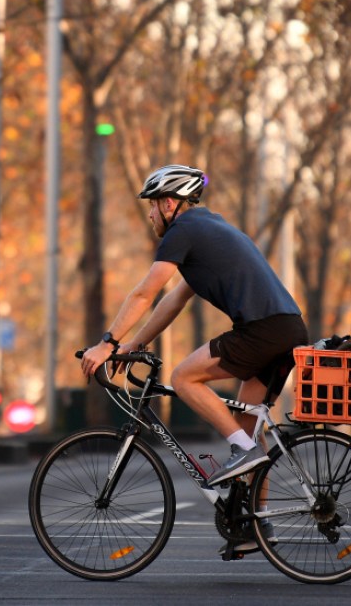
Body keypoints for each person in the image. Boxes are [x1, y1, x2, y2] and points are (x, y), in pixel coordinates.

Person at [79, 164, 309, 493]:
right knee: (247, 431)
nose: (150, 214)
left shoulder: (183, 232)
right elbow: (173, 300)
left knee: (184, 377)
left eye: (152, 205)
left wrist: (107, 342)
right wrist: (135, 344)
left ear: (169, 204)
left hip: (262, 331)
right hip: (288, 330)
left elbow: (145, 293)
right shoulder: (209, 228)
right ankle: (255, 527)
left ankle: (243, 452)